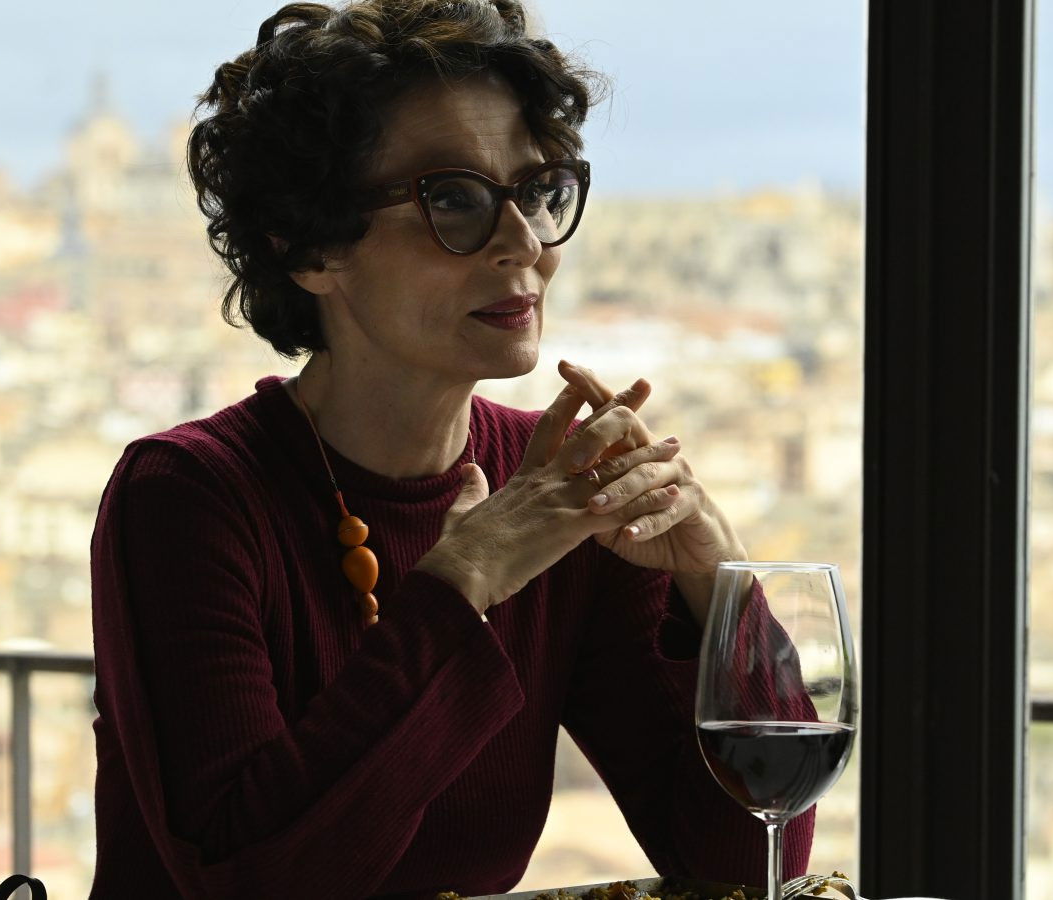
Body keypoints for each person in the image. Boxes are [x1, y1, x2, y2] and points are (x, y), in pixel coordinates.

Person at [87, 1, 816, 896]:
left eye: (540, 191)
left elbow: (744, 864)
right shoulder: (187, 496)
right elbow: (250, 879)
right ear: (309, 245)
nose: (525, 244)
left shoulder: (557, 496)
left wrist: (720, 585)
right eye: (455, 199)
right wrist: (463, 581)